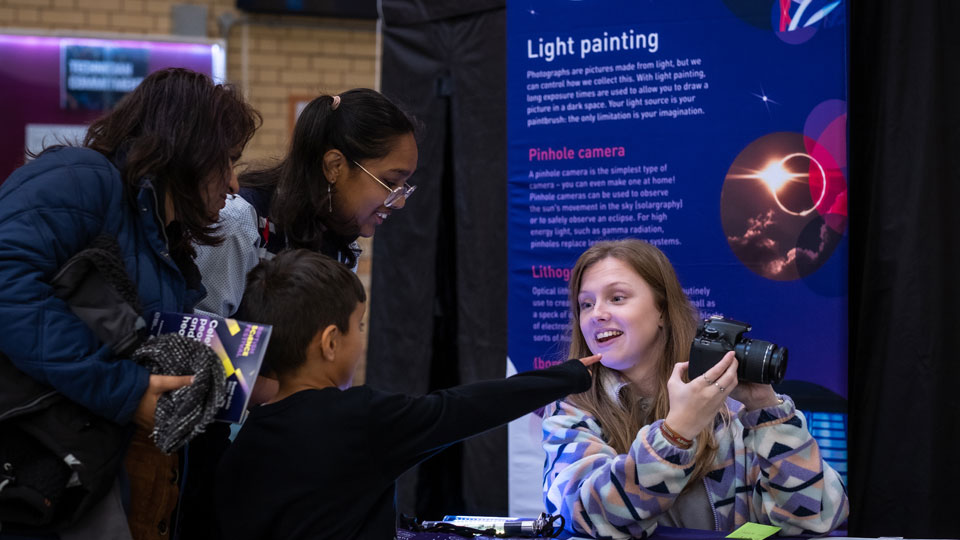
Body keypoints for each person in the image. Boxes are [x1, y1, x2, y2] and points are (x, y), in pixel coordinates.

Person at [0, 68, 260, 539]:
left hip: (86, 482)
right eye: (225, 161)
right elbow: (7, 284)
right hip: (29, 474)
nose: (234, 184)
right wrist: (124, 389)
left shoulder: (160, 239)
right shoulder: (80, 179)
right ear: (186, 149)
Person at [214, 250, 600, 540]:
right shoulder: (360, 419)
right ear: (331, 342)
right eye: (358, 326)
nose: (362, 338)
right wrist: (570, 375)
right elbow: (465, 409)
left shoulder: (244, 439)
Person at [541, 239, 849, 539]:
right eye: (586, 304)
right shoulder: (572, 410)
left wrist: (768, 412)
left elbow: (812, 518)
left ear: (661, 310)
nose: (597, 314)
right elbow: (580, 516)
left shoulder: (728, 405)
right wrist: (675, 434)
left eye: (617, 298)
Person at [194, 88, 418, 317]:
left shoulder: (342, 246)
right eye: (390, 182)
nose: (399, 202)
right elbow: (196, 337)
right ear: (335, 166)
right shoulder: (239, 223)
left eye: (405, 187)